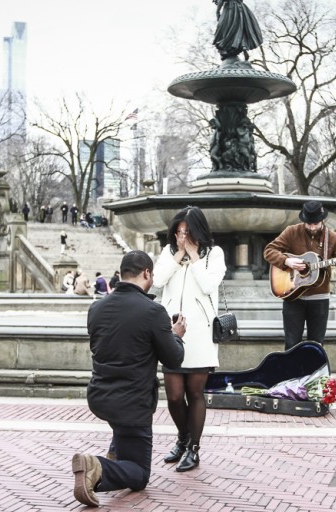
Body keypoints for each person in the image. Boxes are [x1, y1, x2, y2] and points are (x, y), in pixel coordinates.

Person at [72, 250, 186, 507]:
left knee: (123, 433)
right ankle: (96, 466)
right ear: (147, 273)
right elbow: (173, 359)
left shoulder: (96, 308)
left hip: (101, 396)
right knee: (139, 474)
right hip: (133, 403)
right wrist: (175, 334)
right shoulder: (153, 311)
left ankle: (115, 450)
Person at [153, 206, 227, 472]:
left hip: (200, 335)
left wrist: (194, 256)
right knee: (173, 396)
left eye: (187, 231)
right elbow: (158, 280)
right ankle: (183, 438)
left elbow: (208, 285)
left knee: (195, 393)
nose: (182, 236)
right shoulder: (168, 253)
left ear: (198, 231)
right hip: (171, 333)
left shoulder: (214, 255)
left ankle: (193, 449)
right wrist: (179, 255)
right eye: (178, 231)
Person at [263, 200, 336, 349]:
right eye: (309, 223)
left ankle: (315, 373)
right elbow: (269, 251)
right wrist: (286, 261)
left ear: (322, 220)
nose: (312, 227)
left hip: (319, 298)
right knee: (292, 343)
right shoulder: (292, 232)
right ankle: (292, 372)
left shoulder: (334, 238)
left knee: (316, 344)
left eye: (316, 223)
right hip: (292, 295)